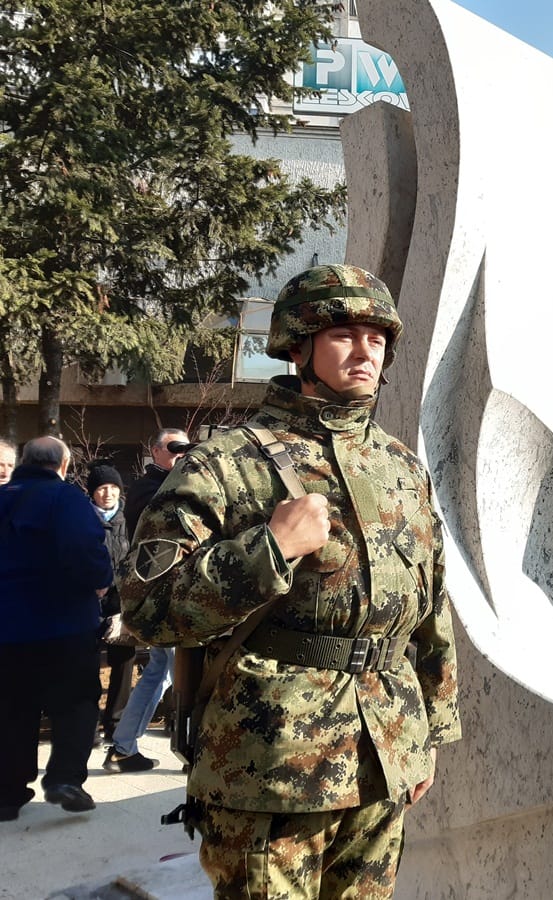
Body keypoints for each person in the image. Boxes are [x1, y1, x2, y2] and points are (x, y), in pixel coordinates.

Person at [119, 264, 461, 899]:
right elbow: (147, 609)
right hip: (270, 764)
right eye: (343, 335)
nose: (365, 352)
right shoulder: (229, 463)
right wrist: (270, 548)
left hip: (384, 753)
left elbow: (431, 609)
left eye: (377, 338)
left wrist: (429, 734)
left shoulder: (400, 467)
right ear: (297, 346)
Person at [0, 437, 113, 821]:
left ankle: (7, 793)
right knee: (77, 703)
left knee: (13, 709)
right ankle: (65, 777)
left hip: (7, 629)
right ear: (63, 466)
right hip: (63, 623)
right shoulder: (65, 499)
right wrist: (101, 578)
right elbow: (86, 547)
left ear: (23, 462)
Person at [104, 428, 190, 773]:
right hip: (162, 596)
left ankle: (124, 746)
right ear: (155, 451)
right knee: (175, 674)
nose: (181, 454)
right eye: (174, 448)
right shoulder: (147, 488)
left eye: (186, 447)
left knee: (161, 672)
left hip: (172, 595)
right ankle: (183, 750)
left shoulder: (175, 482)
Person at [89, 463, 134, 744]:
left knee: (124, 663)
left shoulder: (130, 518)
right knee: (87, 666)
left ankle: (115, 723)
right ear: (92, 491)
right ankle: (89, 724)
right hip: (88, 604)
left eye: (113, 487)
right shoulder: (80, 517)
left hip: (121, 603)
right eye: (102, 488)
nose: (108, 493)